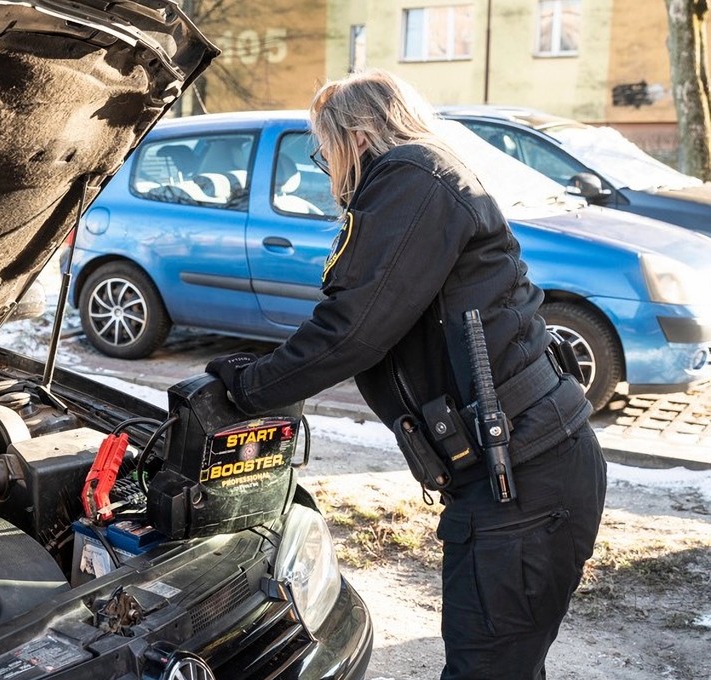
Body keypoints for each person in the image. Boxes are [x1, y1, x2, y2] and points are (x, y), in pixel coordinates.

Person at [204, 70, 606, 679]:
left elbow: (355, 328)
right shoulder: (426, 177)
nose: (327, 168)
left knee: (487, 669)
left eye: (323, 151)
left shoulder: (411, 179)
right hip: (524, 471)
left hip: (524, 481)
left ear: (356, 136)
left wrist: (249, 385)